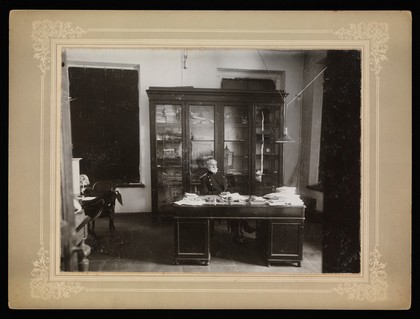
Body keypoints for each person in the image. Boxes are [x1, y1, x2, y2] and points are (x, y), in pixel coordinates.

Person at [199, 158, 255, 245]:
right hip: (215, 203)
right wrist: (221, 193)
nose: (214, 166)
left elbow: (228, 187)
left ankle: (237, 233)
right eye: (211, 165)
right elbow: (205, 193)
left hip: (226, 200)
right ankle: (241, 230)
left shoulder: (221, 175)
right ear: (207, 166)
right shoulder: (204, 178)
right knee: (233, 212)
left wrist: (229, 193)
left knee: (237, 209)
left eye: (215, 165)